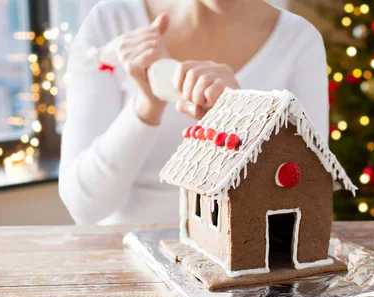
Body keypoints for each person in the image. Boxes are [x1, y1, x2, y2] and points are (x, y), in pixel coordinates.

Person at [59, 0, 329, 225]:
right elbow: (84, 207)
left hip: (243, 264)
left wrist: (240, 121)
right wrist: (146, 107)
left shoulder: (299, 40)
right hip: (124, 262)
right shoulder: (111, 23)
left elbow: (308, 198)